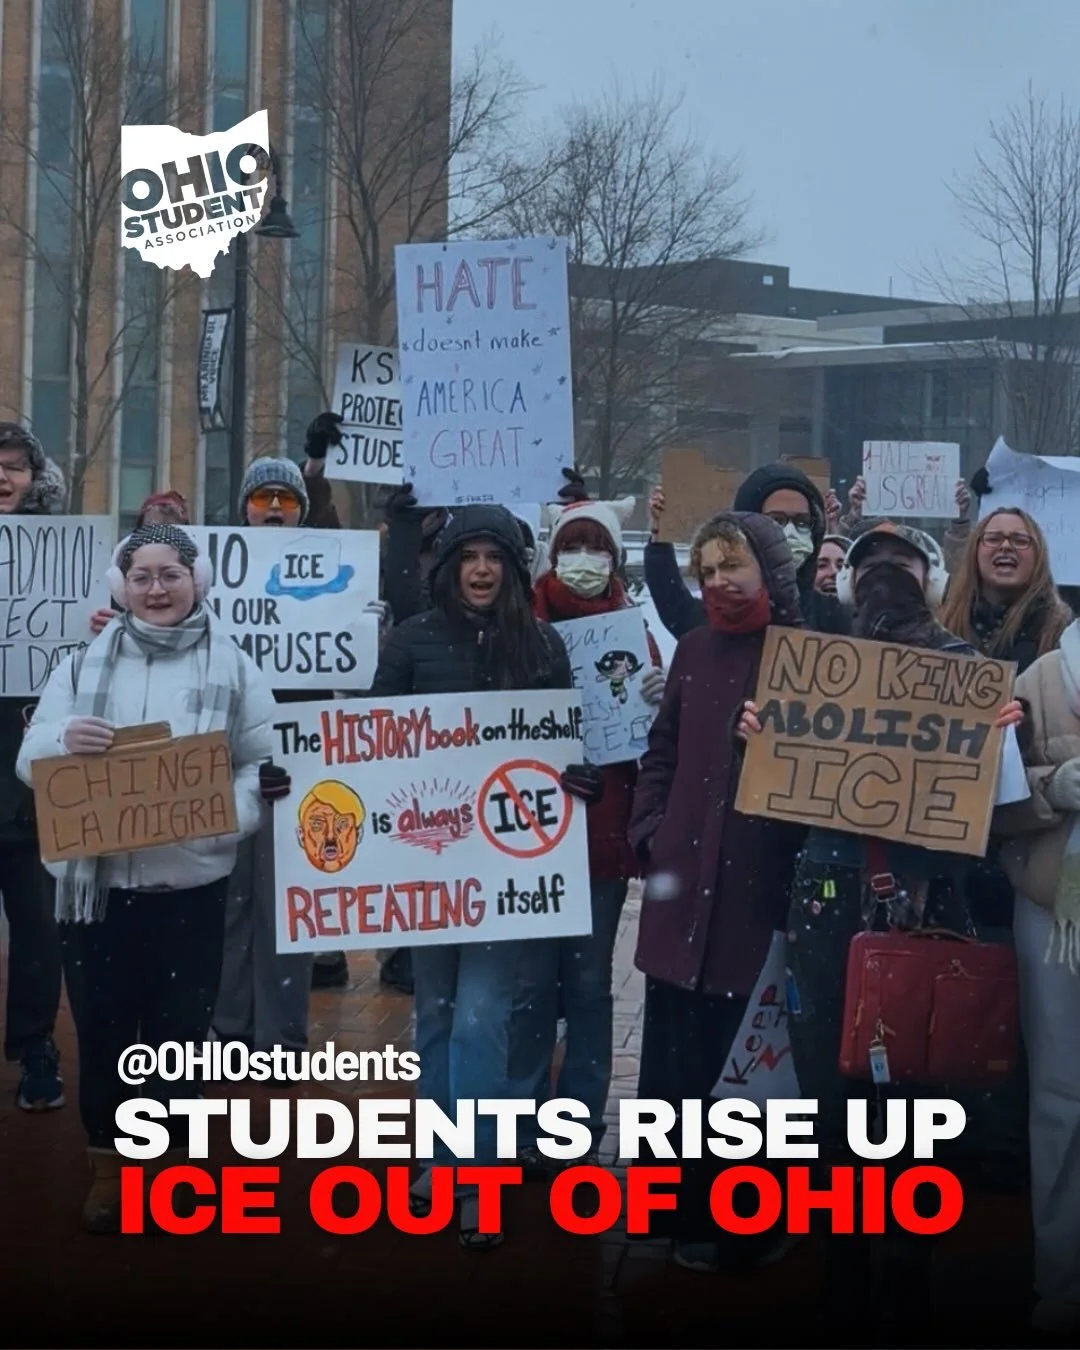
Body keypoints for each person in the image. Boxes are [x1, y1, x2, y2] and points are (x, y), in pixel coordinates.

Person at [764, 522, 1021, 1336]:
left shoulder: (966, 671)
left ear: (930, 575)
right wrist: (757, 741)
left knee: (918, 1086)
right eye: (871, 564)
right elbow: (774, 792)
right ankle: (844, 1265)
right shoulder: (808, 661)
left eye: (902, 564)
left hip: (929, 898)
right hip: (826, 895)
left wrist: (996, 747)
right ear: (849, 580)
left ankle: (907, 1265)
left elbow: (998, 815)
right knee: (831, 1087)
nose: (885, 576)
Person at [16, 524, 276, 1232]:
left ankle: (173, 1170)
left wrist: (231, 815)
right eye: (142, 576)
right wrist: (61, 740)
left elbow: (265, 764)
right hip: (93, 893)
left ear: (197, 582)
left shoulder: (236, 666)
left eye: (170, 574)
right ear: (121, 588)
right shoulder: (78, 667)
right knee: (103, 1034)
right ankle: (109, 1170)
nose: (156, 589)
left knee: (178, 1035)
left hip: (189, 889)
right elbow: (29, 753)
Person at [371, 505, 590, 1249]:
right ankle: (440, 1159)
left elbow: (566, 742)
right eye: (469, 555)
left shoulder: (543, 646)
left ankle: (479, 1175)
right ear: (449, 565)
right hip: (428, 863)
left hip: (505, 868)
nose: (482, 569)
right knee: (433, 1015)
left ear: (514, 569)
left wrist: (577, 779)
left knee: (480, 1018)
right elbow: (370, 750)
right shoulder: (409, 642)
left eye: (495, 556)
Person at [628, 510, 806, 1273]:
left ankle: (742, 1223)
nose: (719, 583)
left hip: (754, 889)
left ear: (769, 572)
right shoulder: (694, 651)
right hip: (682, 884)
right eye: (707, 570)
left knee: (747, 1074)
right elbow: (662, 745)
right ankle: (668, 1209)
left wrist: (777, 743)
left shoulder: (807, 660)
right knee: (675, 1062)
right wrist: (652, 826)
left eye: (733, 566)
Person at [510, 497, 665, 1172]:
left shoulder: (636, 635)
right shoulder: (518, 627)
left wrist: (662, 701)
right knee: (528, 986)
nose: (583, 561)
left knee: (587, 985)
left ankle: (571, 1123)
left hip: (600, 840)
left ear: (614, 558)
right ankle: (519, 1121)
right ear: (553, 556)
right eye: (572, 547)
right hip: (525, 837)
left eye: (596, 548)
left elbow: (657, 743)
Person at [212, 454, 343, 1051]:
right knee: (229, 897)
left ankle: (282, 1035)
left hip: (299, 755)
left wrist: (367, 624)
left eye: (284, 500)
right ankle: (229, 1025)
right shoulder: (211, 576)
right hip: (227, 754)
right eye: (261, 497)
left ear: (302, 512)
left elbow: (360, 668)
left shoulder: (336, 576)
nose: (271, 509)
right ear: (242, 507)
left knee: (288, 902)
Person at [993, 620, 1080, 1337]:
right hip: (1059, 904)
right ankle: (1062, 1279)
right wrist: (1056, 785)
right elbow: (997, 806)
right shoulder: (1039, 680)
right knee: (1059, 1094)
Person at [0, 422, 66, 1111]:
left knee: (39, 929)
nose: (3, 478)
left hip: (30, 782)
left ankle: (35, 1045)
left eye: (15, 466)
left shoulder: (61, 562)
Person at [643, 462, 847, 639]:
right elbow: (673, 602)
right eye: (776, 520)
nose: (790, 533)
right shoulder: (719, 618)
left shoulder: (835, 617)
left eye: (802, 522)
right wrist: (659, 538)